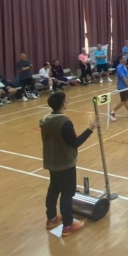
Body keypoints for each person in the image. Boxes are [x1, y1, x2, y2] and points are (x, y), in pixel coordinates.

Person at [40, 91, 97, 236]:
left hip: (51, 161)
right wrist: (90, 129)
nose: (68, 101)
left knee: (53, 190)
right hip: (64, 163)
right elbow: (74, 143)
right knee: (67, 193)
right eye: (67, 99)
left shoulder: (45, 119)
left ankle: (51, 218)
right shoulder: (64, 123)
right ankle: (68, 225)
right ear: (63, 104)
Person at [110, 52, 128, 121]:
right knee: (123, 101)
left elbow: (127, 76)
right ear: (120, 60)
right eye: (124, 58)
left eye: (125, 58)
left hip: (125, 86)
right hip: (122, 87)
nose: (125, 59)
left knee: (126, 100)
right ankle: (112, 112)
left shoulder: (124, 66)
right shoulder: (119, 67)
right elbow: (123, 77)